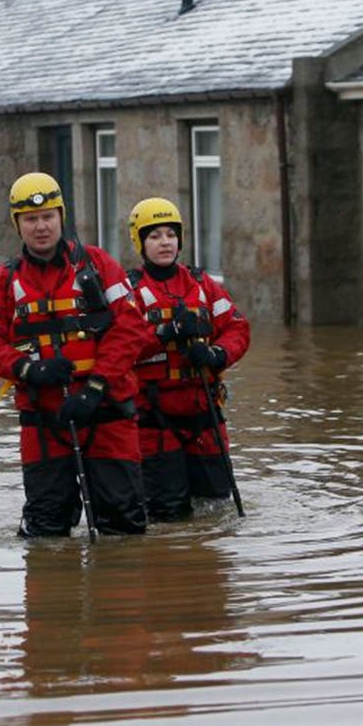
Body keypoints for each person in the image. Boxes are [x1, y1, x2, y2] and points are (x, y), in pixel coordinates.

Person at [0, 173, 150, 537]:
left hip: (106, 411)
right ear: (17, 224)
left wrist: (96, 386)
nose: (41, 226)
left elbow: (132, 329)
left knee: (123, 525)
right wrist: (27, 369)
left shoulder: (98, 266)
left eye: (48, 216)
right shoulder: (4, 281)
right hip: (44, 420)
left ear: (61, 217)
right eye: (31, 219)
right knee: (44, 527)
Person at [125, 197, 250, 520]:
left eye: (170, 234)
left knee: (216, 508)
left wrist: (214, 354)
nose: (165, 242)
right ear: (139, 241)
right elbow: (119, 348)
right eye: (154, 236)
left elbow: (237, 329)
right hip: (155, 420)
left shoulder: (201, 283)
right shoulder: (129, 291)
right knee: (166, 515)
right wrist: (164, 333)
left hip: (203, 413)